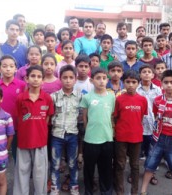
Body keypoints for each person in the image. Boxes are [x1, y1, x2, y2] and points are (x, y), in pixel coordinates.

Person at [140, 70, 172, 195]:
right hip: (158, 139)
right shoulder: (157, 101)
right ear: (161, 84)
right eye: (166, 82)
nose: (169, 85)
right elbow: (157, 118)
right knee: (149, 165)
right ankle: (143, 191)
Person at [13, 66, 54, 195]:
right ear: (27, 78)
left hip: (41, 141)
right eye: (33, 76)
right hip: (24, 141)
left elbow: (47, 118)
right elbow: (19, 118)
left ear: (43, 80)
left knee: (40, 173)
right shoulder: (20, 98)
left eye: (39, 77)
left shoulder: (47, 98)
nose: (35, 79)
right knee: (22, 171)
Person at [80, 67, 115, 195]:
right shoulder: (87, 97)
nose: (101, 81)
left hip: (107, 139)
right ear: (91, 80)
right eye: (98, 78)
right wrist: (89, 131)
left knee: (105, 168)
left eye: (104, 78)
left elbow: (111, 116)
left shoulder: (112, 97)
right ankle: (88, 191)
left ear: (107, 80)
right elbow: (84, 118)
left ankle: (106, 191)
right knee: (89, 168)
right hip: (90, 139)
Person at [114, 70, 148, 195]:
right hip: (121, 136)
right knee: (120, 164)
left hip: (136, 136)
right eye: (127, 82)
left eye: (134, 82)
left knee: (135, 165)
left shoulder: (142, 100)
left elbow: (141, 117)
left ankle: (134, 191)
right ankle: (120, 191)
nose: (130, 85)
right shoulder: (119, 99)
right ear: (123, 83)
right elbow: (116, 116)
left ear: (138, 83)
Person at [50, 65, 82, 195]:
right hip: (56, 135)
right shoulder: (54, 97)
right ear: (60, 79)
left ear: (75, 79)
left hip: (73, 135)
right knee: (55, 163)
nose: (68, 80)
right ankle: (54, 187)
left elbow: (81, 116)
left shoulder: (80, 97)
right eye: (65, 78)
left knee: (73, 163)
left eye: (71, 78)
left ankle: (74, 186)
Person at [0, 55, 26, 161]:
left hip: (17, 125)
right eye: (4, 66)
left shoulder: (22, 85)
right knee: (0, 153)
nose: (8, 69)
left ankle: (19, 175)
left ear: (16, 68)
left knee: (17, 154)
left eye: (11, 66)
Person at [136, 65, 162, 185]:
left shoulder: (157, 89)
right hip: (139, 126)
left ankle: (151, 173)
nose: (146, 74)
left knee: (152, 152)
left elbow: (160, 107)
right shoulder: (136, 89)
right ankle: (134, 173)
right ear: (140, 74)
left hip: (153, 126)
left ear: (153, 75)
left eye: (149, 72)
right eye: (144, 71)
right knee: (137, 152)